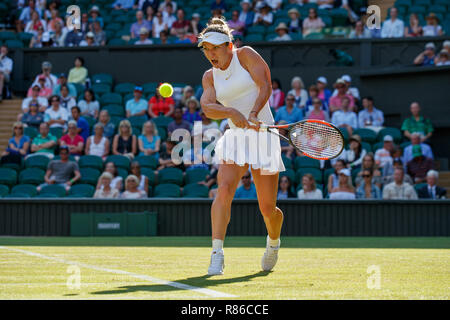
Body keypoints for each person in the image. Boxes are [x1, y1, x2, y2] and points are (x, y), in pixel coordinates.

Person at [198, 17, 285, 275]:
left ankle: (273, 242)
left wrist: (255, 112)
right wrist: (232, 113)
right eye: (206, 49)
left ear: (229, 45)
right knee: (223, 190)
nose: (210, 53)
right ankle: (216, 254)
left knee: (268, 208)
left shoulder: (245, 55)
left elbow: (265, 85)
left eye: (215, 47)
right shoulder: (209, 77)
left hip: (264, 136)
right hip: (235, 137)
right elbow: (207, 106)